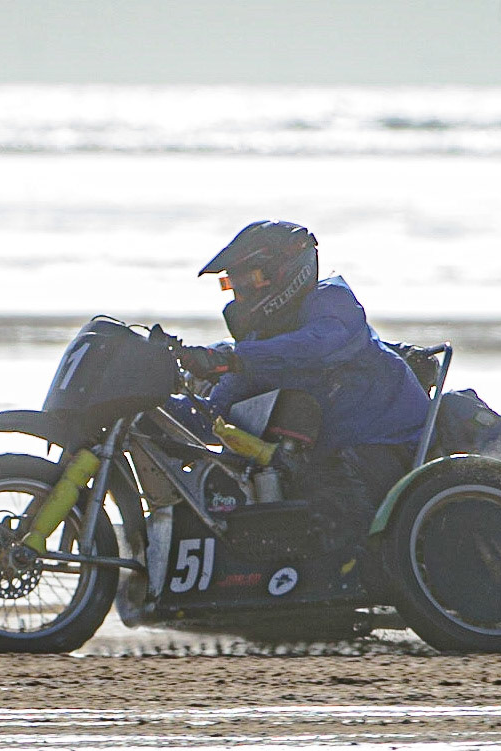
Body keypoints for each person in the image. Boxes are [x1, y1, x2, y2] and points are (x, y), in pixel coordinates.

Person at [174, 220, 430, 549]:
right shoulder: (257, 343)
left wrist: (231, 357)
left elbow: (314, 346)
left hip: (390, 447)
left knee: (324, 494)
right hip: (329, 459)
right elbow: (214, 416)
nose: (240, 294)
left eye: (249, 280)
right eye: (232, 284)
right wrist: (143, 408)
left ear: (286, 271)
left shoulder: (331, 303)